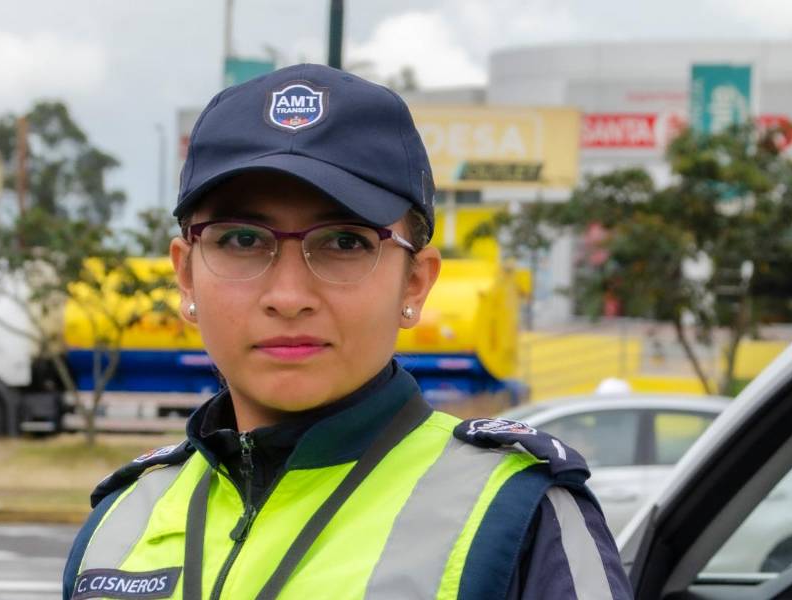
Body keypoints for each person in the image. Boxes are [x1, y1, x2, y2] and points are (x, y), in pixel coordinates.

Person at [63, 64, 633, 600]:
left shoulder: (516, 518)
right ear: (186, 273)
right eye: (242, 239)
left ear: (415, 282)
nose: (288, 297)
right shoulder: (121, 522)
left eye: (344, 243)